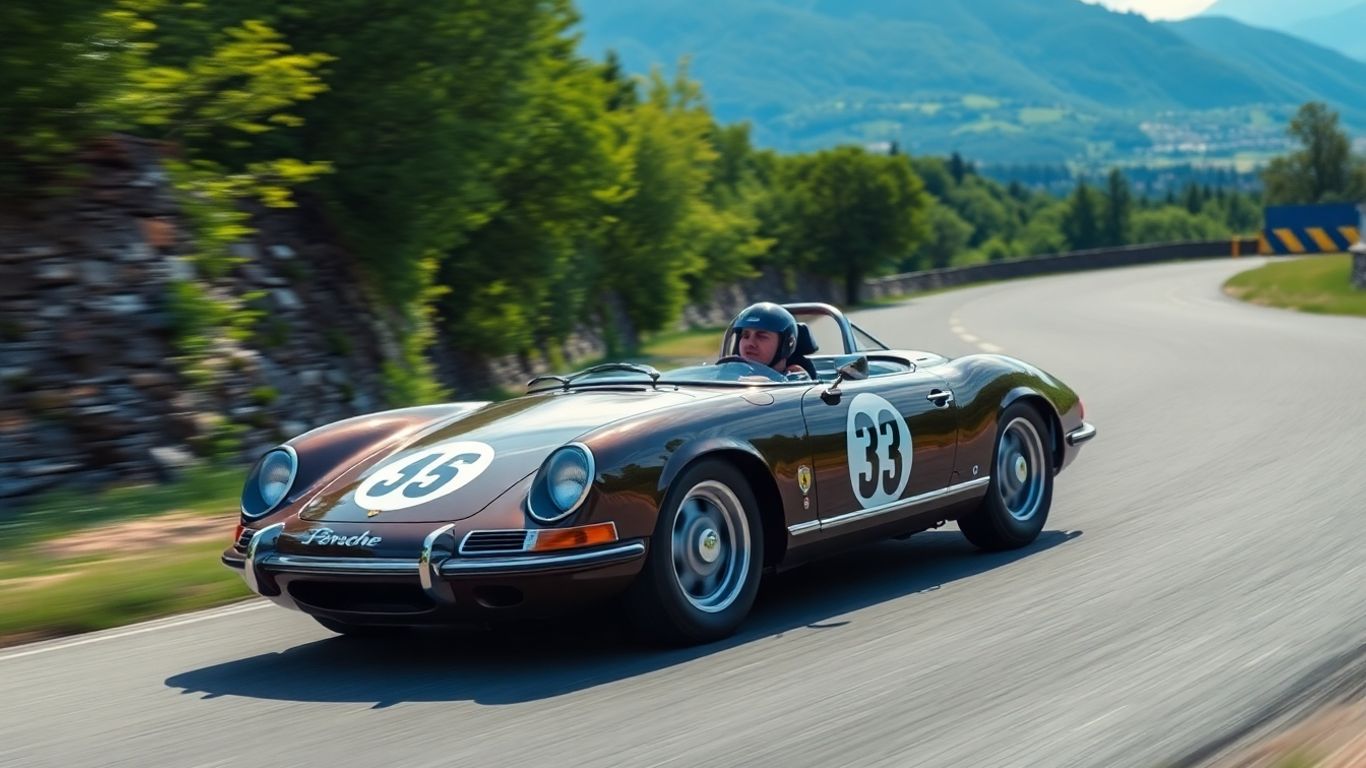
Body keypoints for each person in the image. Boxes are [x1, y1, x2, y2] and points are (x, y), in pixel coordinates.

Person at [723, 302, 808, 377]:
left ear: (786, 344)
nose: (750, 343)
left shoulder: (796, 380)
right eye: (745, 335)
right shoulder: (726, 376)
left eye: (761, 336)